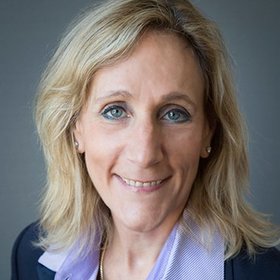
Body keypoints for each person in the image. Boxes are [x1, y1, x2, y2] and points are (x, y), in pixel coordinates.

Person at [11, 0, 280, 279]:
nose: (144, 154)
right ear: (75, 127)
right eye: (115, 111)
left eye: (174, 114)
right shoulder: (29, 256)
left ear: (208, 132)